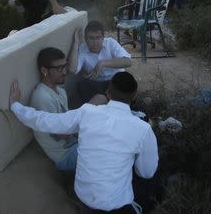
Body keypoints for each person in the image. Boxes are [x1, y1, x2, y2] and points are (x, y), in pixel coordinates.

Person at [9, 71, 159, 213]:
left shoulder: (86, 112)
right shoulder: (143, 129)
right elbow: (146, 173)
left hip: (84, 198)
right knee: (146, 175)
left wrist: (15, 105)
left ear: (108, 93)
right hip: (117, 207)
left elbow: (45, 121)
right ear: (134, 96)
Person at [29, 47, 78, 171]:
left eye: (64, 66)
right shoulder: (42, 97)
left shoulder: (60, 91)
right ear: (44, 70)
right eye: (59, 69)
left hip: (73, 144)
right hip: (65, 155)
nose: (64, 72)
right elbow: (61, 133)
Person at [68, 21, 132, 104]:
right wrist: (75, 43)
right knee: (81, 85)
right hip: (98, 84)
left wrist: (102, 63)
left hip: (115, 82)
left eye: (98, 37)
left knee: (125, 80)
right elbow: (72, 70)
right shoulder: (82, 49)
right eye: (91, 38)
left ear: (103, 37)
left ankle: (110, 105)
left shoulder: (110, 43)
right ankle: (97, 108)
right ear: (85, 39)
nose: (95, 42)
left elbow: (128, 62)